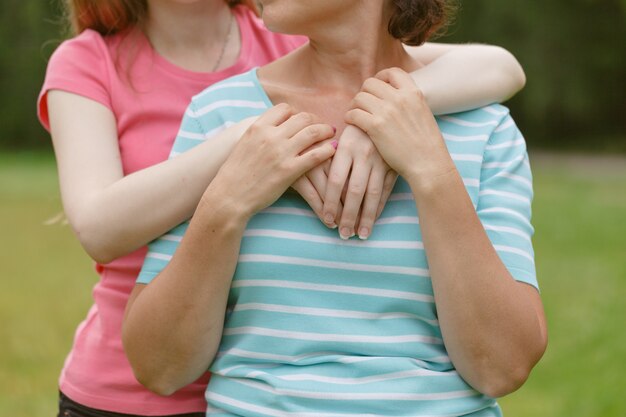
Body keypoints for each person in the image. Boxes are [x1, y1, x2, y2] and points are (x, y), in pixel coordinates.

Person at [39, 0, 528, 416]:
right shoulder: (179, 93)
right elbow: (97, 227)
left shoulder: (278, 29)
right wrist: (235, 161)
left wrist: (394, 117)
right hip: (125, 388)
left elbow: (497, 64)